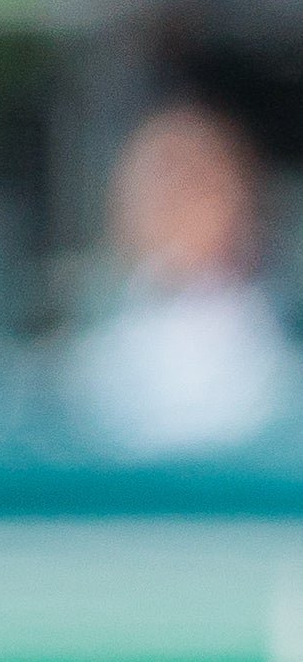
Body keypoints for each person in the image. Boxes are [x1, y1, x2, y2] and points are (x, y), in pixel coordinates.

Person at [67, 99, 294, 458]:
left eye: (192, 186)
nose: (169, 207)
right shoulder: (94, 356)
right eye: (155, 187)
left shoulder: (268, 361)